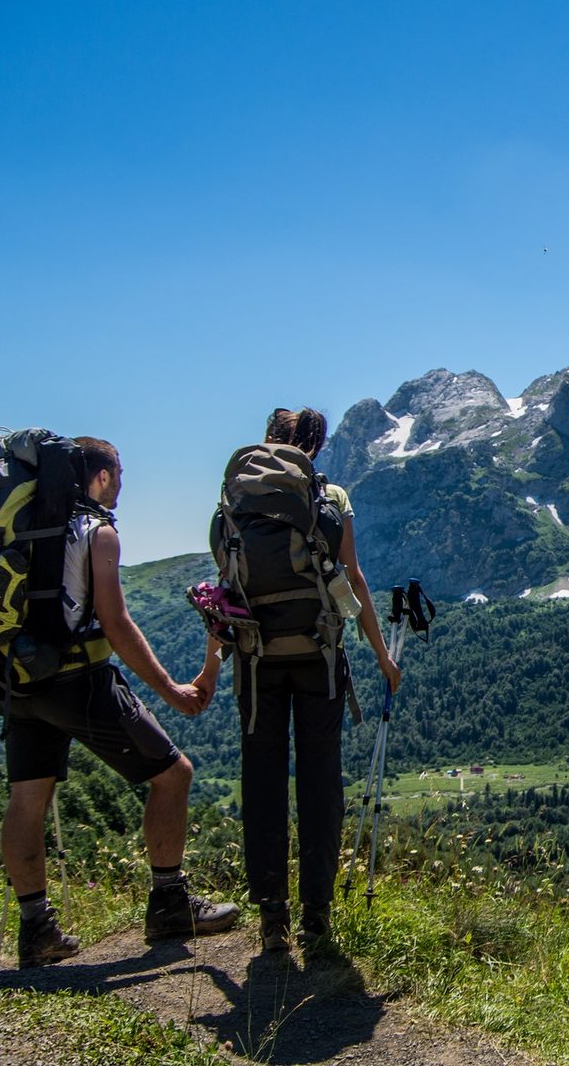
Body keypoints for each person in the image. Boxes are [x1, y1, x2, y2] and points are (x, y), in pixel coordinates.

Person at [4, 436, 239, 968]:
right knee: (174, 773)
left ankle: (36, 928)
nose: (122, 486)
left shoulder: (24, 527)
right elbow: (116, 623)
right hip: (79, 681)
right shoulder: (97, 533)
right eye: (120, 475)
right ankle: (169, 905)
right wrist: (171, 691)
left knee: (27, 797)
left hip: (19, 681)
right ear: (102, 477)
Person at [194, 407, 401, 952]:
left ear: (268, 440)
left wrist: (213, 664)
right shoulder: (328, 499)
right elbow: (352, 579)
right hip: (319, 658)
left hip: (255, 663)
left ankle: (271, 917)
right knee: (319, 779)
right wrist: (382, 656)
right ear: (315, 444)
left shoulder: (233, 499)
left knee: (261, 780)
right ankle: (317, 915)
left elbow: (226, 589)